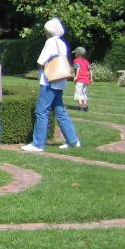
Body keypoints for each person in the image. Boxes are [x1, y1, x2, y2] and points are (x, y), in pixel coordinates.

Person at [22, 18, 81, 152]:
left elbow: (41, 61)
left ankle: (37, 144)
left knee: (41, 111)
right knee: (60, 111)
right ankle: (73, 141)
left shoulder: (50, 42)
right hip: (60, 80)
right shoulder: (62, 43)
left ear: (49, 31)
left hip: (49, 81)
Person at [72, 47, 92, 111]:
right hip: (86, 79)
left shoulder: (76, 60)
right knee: (84, 93)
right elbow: (89, 70)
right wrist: (91, 78)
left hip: (80, 79)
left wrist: (76, 77)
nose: (74, 54)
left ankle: (80, 106)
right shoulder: (86, 61)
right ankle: (85, 105)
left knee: (78, 92)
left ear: (78, 54)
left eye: (75, 53)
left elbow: (78, 68)